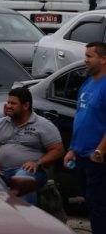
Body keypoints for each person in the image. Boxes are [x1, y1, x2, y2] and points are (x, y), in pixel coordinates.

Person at [0, 87, 64, 204]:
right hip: (1, 172)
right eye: (8, 102)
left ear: (26, 105)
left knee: (22, 179)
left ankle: (24, 213)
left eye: (13, 103)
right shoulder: (0, 123)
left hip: (30, 172)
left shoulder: (43, 125)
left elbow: (58, 150)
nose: (8, 106)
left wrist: (38, 163)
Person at [64, 41, 106, 232]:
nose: (85, 60)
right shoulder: (88, 83)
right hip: (81, 156)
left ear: (103, 59)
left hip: (97, 157)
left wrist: (99, 151)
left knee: (99, 205)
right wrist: (72, 149)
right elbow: (81, 117)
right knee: (90, 202)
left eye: (90, 56)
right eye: (85, 56)